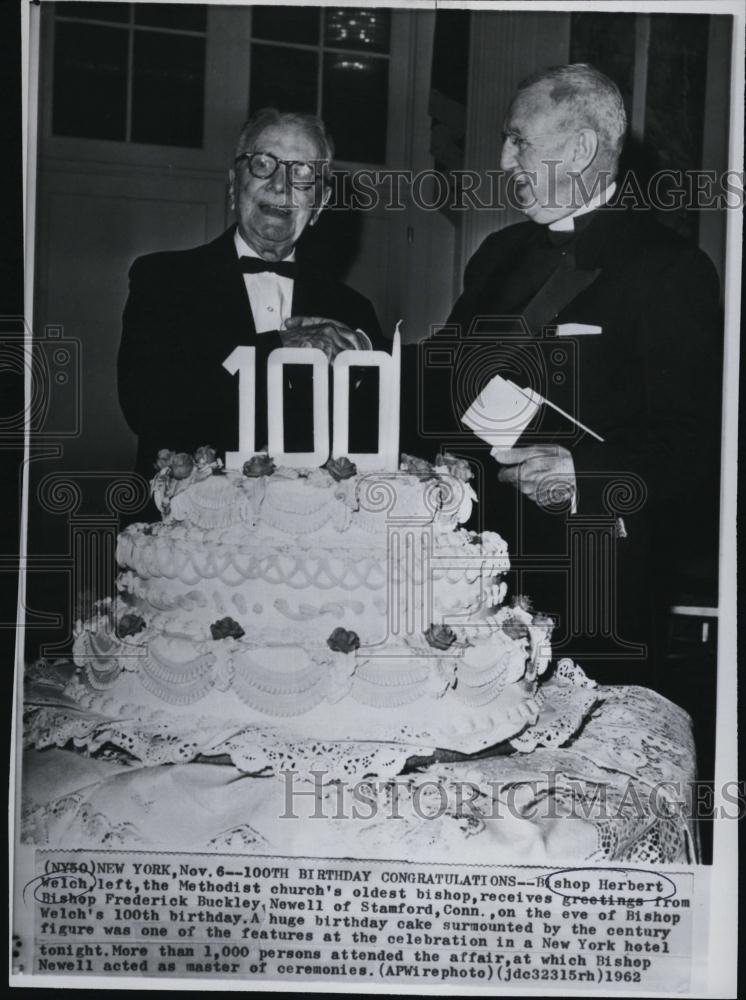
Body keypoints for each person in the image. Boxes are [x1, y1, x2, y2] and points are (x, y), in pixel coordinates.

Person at [410, 64, 722, 684]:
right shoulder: (496, 254)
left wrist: (585, 472)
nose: (503, 160)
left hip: (595, 584)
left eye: (518, 140)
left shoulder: (669, 268)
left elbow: (696, 440)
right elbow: (440, 385)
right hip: (480, 575)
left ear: (580, 149)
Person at [118, 108, 385, 476]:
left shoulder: (353, 313)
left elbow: (376, 440)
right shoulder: (163, 280)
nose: (281, 185)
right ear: (233, 184)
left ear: (320, 203)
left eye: (303, 173)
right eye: (263, 163)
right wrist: (277, 347)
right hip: (190, 526)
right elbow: (145, 405)